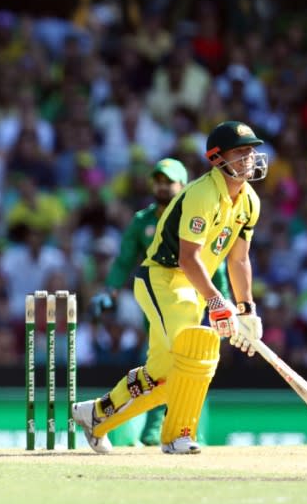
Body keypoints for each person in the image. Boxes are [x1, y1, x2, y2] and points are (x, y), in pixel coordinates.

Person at [74, 120, 268, 455]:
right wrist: (217, 302)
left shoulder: (249, 201)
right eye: (240, 152)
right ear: (217, 158)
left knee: (164, 376)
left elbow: (238, 260)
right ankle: (177, 434)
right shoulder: (202, 194)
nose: (250, 159)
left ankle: (96, 415)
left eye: (252, 151)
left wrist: (246, 308)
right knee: (196, 350)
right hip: (162, 278)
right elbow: (188, 259)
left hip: (190, 287)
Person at [90, 158, 231, 446]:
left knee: (180, 363)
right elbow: (125, 258)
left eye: (169, 181)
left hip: (190, 299)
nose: (162, 186)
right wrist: (111, 289)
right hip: (155, 297)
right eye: (158, 181)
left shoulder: (199, 212)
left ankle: (174, 425)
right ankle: (161, 427)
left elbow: (216, 264)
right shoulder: (143, 220)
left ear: (183, 185)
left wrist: (225, 301)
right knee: (168, 363)